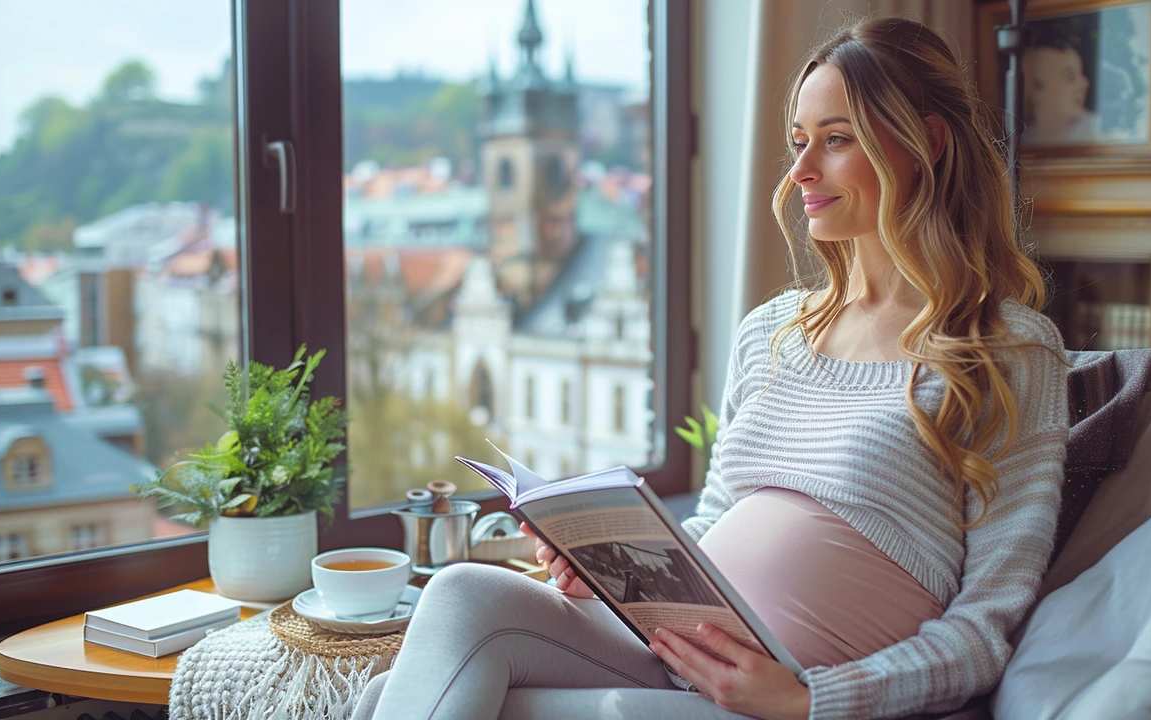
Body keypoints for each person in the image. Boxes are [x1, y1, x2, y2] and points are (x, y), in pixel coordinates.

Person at [368, 16, 1069, 720]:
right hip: (668, 649)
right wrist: (613, 570)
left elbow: (986, 629)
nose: (800, 172)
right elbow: (712, 524)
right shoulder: (772, 331)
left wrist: (807, 698)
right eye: (799, 143)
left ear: (927, 143)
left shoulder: (1007, 350)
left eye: (835, 139)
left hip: (778, 697)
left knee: (408, 696)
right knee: (459, 595)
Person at [1022, 42, 1102, 145]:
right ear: (1037, 91)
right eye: (1071, 77)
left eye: (1081, 73)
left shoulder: (1099, 129)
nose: (1084, 83)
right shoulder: (1020, 139)